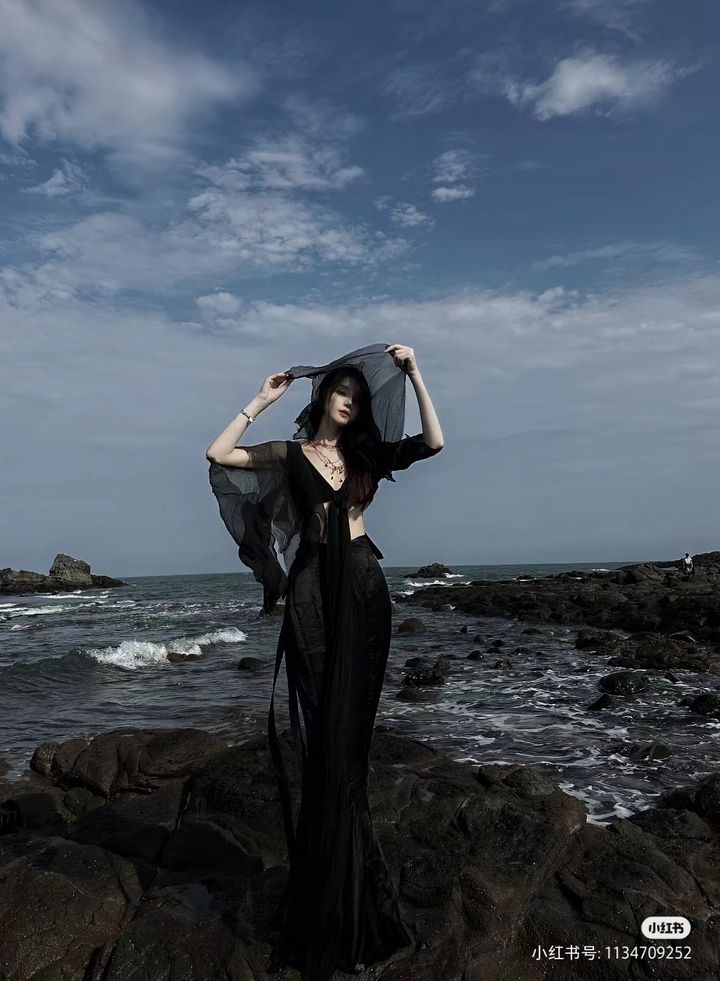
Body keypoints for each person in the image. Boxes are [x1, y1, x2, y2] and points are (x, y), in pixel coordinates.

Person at [206, 343, 444, 981]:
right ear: (324, 397)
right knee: (323, 736)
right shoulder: (291, 455)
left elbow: (436, 441)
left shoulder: (367, 456)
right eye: (342, 390)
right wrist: (259, 402)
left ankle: (353, 887)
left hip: (365, 584)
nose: (350, 399)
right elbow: (219, 455)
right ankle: (327, 892)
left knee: (351, 740)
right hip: (312, 587)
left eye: (359, 395)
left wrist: (416, 373)